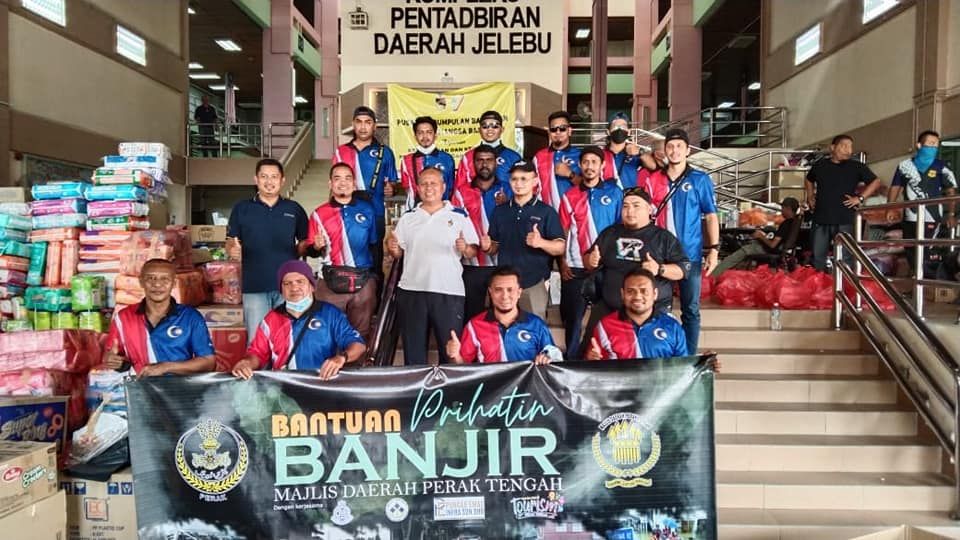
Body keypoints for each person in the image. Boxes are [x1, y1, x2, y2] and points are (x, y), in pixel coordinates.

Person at [387, 167, 479, 365]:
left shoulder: (459, 215)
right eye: (424, 184)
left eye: (433, 183)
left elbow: (473, 251)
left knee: (450, 353)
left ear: (443, 187)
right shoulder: (408, 217)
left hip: (448, 291)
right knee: (413, 356)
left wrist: (465, 248)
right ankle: (416, 386)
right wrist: (393, 248)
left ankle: (449, 387)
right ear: (418, 188)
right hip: (412, 291)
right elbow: (398, 252)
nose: (429, 188)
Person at [638, 129, 719, 355]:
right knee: (656, 307)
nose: (674, 151)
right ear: (665, 150)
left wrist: (713, 250)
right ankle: (659, 355)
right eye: (670, 146)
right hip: (659, 256)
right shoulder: (653, 179)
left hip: (690, 255)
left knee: (690, 309)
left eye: (679, 146)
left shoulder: (700, 179)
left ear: (688, 150)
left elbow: (711, 216)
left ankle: (688, 359)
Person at [582, 187, 689, 350]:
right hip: (609, 309)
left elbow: (683, 269)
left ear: (649, 209)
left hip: (650, 314)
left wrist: (659, 269)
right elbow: (587, 259)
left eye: (636, 205)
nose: (630, 211)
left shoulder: (663, 237)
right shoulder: (610, 233)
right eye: (625, 206)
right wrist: (591, 260)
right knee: (590, 352)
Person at [231, 260, 366, 381]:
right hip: (284, 391)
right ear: (281, 290)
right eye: (287, 283)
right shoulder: (271, 319)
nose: (294, 288)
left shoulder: (330, 314)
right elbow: (257, 354)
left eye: (300, 281)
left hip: (322, 386)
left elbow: (358, 345)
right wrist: (246, 363)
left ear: (312, 286)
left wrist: (341, 358)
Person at [226, 158, 309, 344]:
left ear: (282, 180)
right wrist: (233, 250)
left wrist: (310, 247)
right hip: (254, 286)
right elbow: (231, 241)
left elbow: (304, 242)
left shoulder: (294, 209)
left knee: (288, 339)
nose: (269, 181)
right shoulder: (242, 208)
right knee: (257, 341)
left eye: (274, 177)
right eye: (264, 176)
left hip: (288, 286)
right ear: (256, 179)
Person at [480, 161, 566, 319]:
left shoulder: (546, 211)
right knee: (501, 327)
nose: (518, 183)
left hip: (533, 283)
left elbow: (560, 247)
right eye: (514, 179)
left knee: (533, 328)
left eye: (524, 179)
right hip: (505, 285)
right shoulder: (500, 211)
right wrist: (487, 247)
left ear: (535, 181)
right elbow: (495, 247)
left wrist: (541, 243)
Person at [558, 146, 623, 353]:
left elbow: (621, 229)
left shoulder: (615, 193)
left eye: (594, 162)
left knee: (609, 319)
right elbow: (563, 231)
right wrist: (562, 262)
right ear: (580, 165)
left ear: (603, 165)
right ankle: (571, 363)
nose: (589, 166)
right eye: (585, 162)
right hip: (576, 267)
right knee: (573, 320)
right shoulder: (569, 196)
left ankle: (606, 360)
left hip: (607, 267)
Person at [103, 259, 215, 377]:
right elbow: (114, 357)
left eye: (165, 279)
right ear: (141, 282)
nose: (157, 284)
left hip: (180, 387)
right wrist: (114, 361)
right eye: (151, 278)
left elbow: (208, 362)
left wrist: (166, 367)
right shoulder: (123, 317)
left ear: (174, 283)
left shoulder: (190, 317)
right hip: (140, 386)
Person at [305, 162, 378, 343]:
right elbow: (311, 251)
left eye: (347, 178)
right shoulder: (318, 214)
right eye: (337, 178)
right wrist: (316, 247)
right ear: (330, 183)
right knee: (326, 334)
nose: (343, 182)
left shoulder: (367, 210)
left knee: (361, 335)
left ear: (354, 183)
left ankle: (355, 362)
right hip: (329, 283)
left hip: (362, 282)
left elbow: (374, 245)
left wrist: (374, 279)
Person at [333, 106, 400, 278]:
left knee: (375, 257)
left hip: (375, 212)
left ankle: (375, 292)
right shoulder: (341, 151)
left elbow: (392, 183)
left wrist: (391, 188)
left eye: (368, 122)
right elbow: (334, 184)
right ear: (353, 124)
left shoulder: (385, 152)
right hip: (346, 212)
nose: (363, 127)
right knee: (348, 254)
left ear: (374, 126)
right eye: (359, 122)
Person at [445, 266, 559, 364]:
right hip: (490, 384)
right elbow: (462, 368)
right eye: (498, 290)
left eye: (510, 290)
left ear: (519, 292)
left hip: (528, 384)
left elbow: (554, 357)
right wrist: (455, 355)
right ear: (490, 292)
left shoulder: (536, 324)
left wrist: (548, 358)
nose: (504, 296)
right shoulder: (474, 326)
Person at [452, 144, 512, 319]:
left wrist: (508, 205)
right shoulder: (461, 193)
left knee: (502, 315)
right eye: (480, 160)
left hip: (502, 262)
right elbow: (454, 226)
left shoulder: (508, 189)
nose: (484, 164)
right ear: (473, 164)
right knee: (472, 314)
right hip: (472, 264)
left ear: (496, 163)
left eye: (489, 160)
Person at [805, 134, 881, 272]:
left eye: (850, 147)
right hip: (821, 218)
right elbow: (809, 179)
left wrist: (860, 198)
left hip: (845, 218)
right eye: (844, 146)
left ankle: (845, 284)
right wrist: (810, 196)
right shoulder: (820, 165)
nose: (848, 150)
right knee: (817, 257)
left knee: (846, 257)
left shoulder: (856, 166)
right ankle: (819, 284)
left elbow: (876, 182)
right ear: (833, 147)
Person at [886, 130, 957, 271]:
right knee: (911, 249)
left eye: (936, 145)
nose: (934, 148)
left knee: (926, 250)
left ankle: (926, 280)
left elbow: (951, 192)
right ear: (919, 145)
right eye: (930, 144)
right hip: (909, 217)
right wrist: (890, 208)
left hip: (932, 217)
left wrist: (951, 214)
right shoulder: (904, 165)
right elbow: (895, 187)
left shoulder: (942, 167)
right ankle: (916, 277)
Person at [586, 268, 687, 360]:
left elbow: (683, 367)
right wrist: (593, 361)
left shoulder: (672, 326)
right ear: (622, 294)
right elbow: (597, 364)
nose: (637, 296)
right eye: (630, 291)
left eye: (644, 291)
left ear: (655, 294)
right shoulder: (605, 326)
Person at [711, 197, 801, 277]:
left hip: (771, 250)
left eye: (783, 208)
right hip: (781, 250)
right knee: (746, 249)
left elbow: (773, 245)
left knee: (742, 251)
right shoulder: (795, 222)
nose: (781, 211)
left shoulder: (786, 224)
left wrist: (761, 236)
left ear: (788, 208)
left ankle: (713, 275)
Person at [455, 110, 522, 189]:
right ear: (479, 130)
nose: (490, 129)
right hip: (475, 197)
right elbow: (459, 187)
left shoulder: (513, 157)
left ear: (502, 129)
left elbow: (520, 186)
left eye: (495, 126)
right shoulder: (468, 157)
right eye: (485, 126)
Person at [400, 116, 457, 207]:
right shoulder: (406, 161)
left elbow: (451, 188)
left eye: (429, 132)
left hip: (442, 209)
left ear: (435, 135)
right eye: (420, 133)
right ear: (415, 136)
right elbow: (407, 189)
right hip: (416, 210)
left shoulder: (447, 159)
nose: (425, 136)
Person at [533, 110, 582, 211]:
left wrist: (570, 174)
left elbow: (589, 186)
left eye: (562, 128)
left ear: (569, 131)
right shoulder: (539, 156)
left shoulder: (580, 156)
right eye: (553, 129)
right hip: (544, 213)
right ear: (549, 132)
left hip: (572, 213)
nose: (558, 132)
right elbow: (531, 186)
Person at [603, 113, 644, 189]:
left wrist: (640, 153)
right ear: (608, 132)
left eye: (623, 126)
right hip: (607, 195)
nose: (619, 129)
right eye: (615, 126)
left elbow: (653, 166)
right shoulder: (601, 154)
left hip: (630, 195)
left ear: (629, 131)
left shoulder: (636, 154)